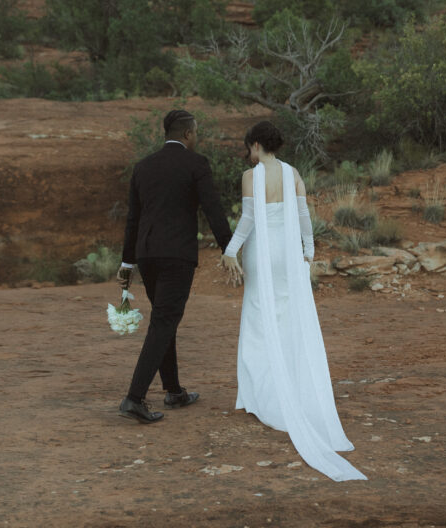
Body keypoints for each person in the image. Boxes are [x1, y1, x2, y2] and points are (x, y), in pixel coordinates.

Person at [222, 121, 366, 482]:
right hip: (287, 255)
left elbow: (250, 219)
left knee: (258, 320)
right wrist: (309, 251)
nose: (249, 154)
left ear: (256, 144)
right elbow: (304, 217)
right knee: (287, 318)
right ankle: (288, 384)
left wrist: (230, 251)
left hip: (262, 254)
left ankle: (258, 397)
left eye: (249, 147)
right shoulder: (293, 173)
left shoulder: (250, 176)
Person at [116, 109, 232, 423]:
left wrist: (127, 263)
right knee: (164, 321)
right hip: (177, 255)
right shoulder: (196, 164)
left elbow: (133, 220)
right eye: (196, 133)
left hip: (146, 255)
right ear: (187, 135)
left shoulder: (143, 167)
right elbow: (213, 211)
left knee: (164, 320)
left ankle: (174, 391)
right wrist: (230, 249)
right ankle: (134, 398)